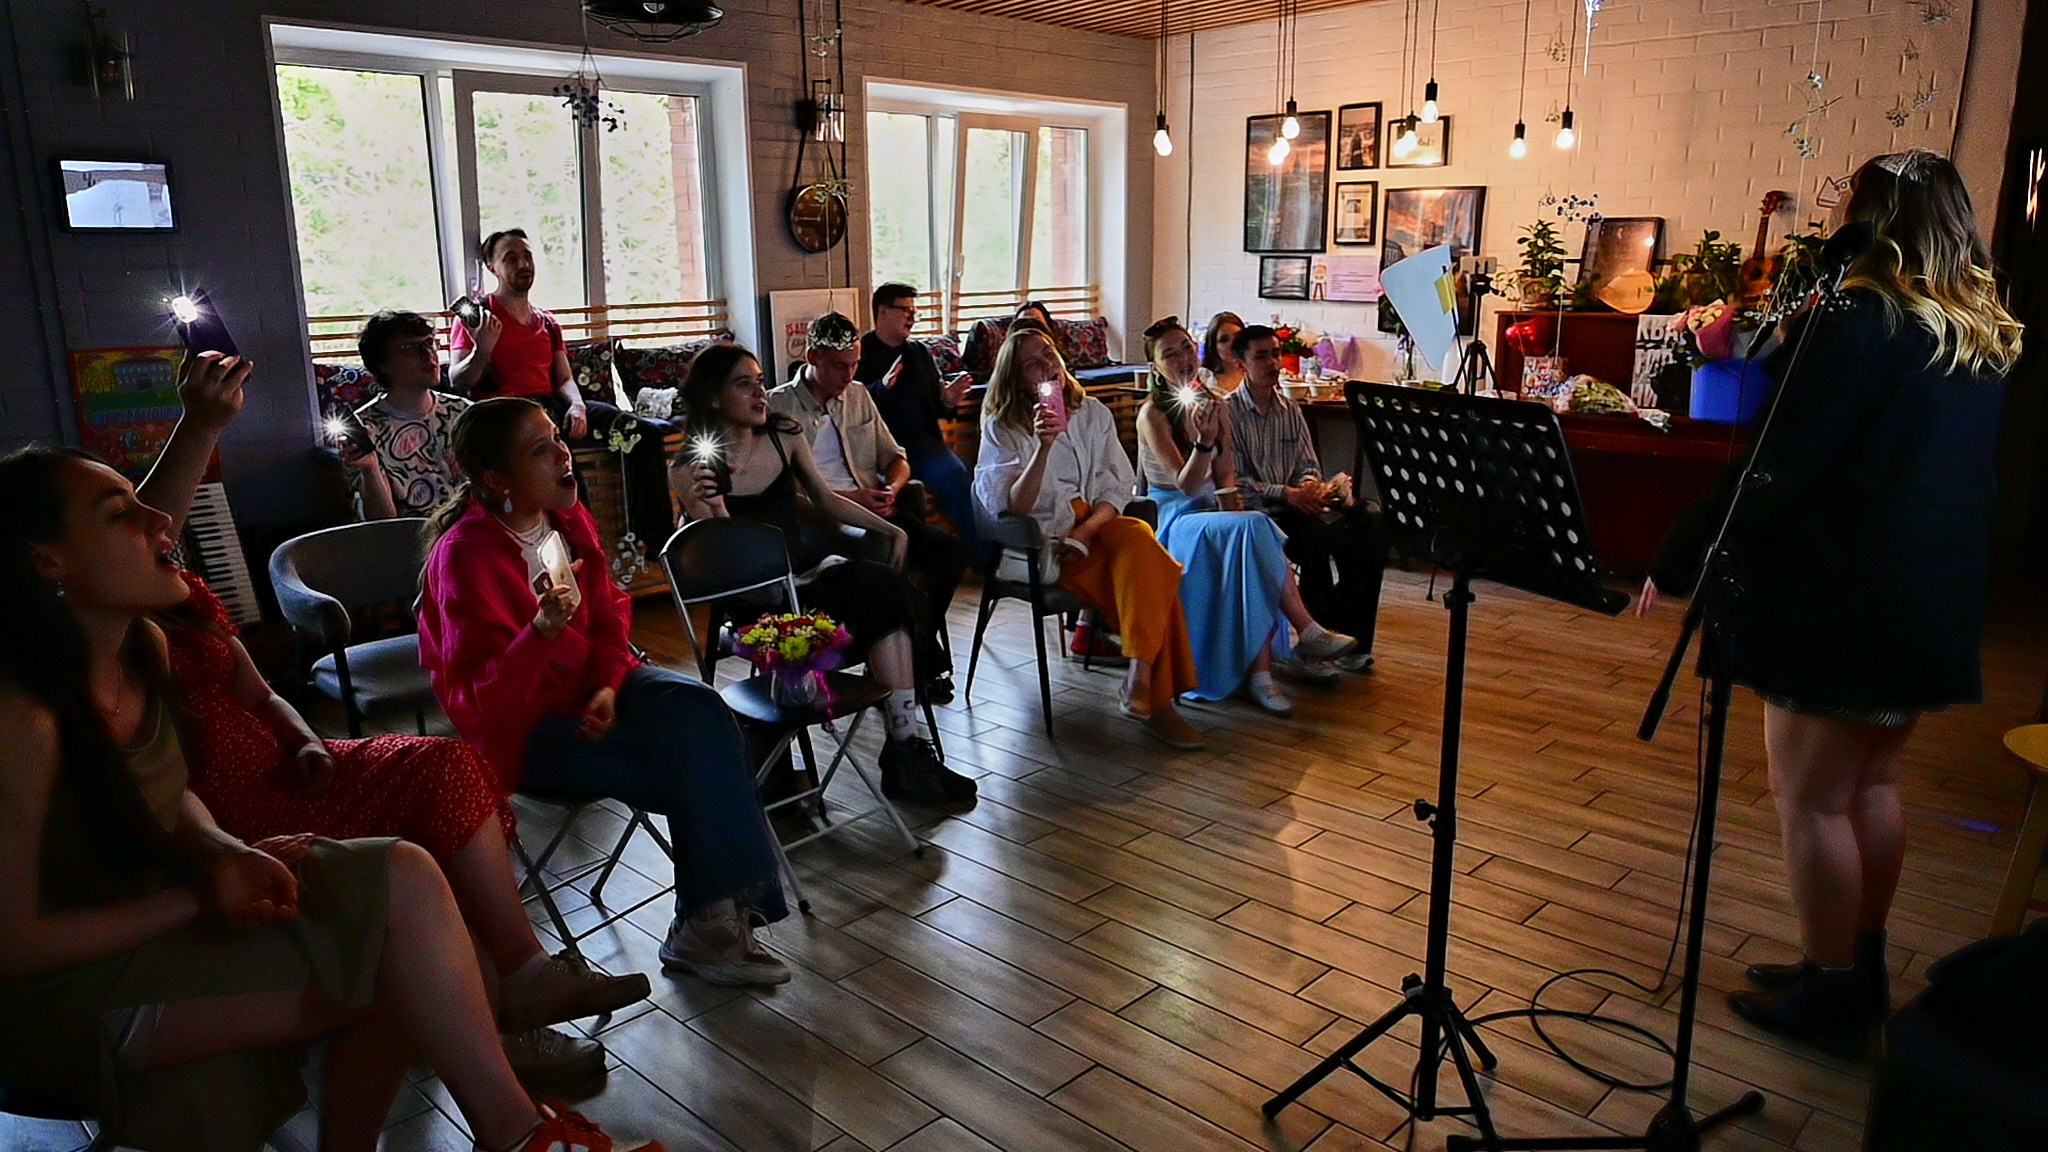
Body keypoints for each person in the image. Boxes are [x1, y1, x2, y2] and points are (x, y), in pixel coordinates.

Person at [0, 432, 660, 1150]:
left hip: (171, 902)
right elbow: (15, 947)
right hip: (67, 988)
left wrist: (221, 850)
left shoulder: (144, 649)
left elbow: (170, 792)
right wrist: (198, 894)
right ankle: (510, 1131)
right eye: (119, 512)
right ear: (46, 560)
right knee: (392, 954)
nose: (161, 521)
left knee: (404, 878)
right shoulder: (23, 720)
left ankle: (514, 1124)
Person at [148, 355, 646, 1090]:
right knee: (438, 806)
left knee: (449, 772)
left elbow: (259, 694)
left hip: (289, 759)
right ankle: (508, 1010)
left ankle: (516, 991)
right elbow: (482, 693)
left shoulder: (183, 602)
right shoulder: (99, 653)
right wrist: (199, 426)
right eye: (120, 517)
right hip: (229, 804)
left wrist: (303, 735)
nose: (154, 534)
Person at [1645, 150, 2023, 1058]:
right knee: (1873, 784)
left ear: (1870, 221)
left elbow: (1784, 455)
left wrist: (1696, 542)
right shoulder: (1975, 328)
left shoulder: (1860, 316)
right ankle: (1852, 965)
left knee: (1812, 798)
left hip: (1845, 591)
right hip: (1926, 591)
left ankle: (1834, 993)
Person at [418, 397, 793, 989]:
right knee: (695, 765)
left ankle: (709, 922)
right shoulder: (465, 558)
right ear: (497, 480)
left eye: (556, 440)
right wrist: (539, 634)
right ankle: (710, 924)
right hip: (526, 732)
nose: (562, 453)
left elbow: (608, 619)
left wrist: (608, 686)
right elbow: (480, 704)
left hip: (593, 694)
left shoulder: (564, 520)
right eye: (538, 449)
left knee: (703, 709)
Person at [674, 345, 978, 808]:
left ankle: (905, 748)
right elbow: (724, 567)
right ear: (713, 398)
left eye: (760, 381)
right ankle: (905, 752)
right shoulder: (692, 468)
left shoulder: (784, 435)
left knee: (885, 595)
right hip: (761, 605)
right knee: (886, 595)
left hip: (807, 582)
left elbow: (825, 500)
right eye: (744, 384)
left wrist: (890, 529)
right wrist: (713, 509)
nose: (760, 393)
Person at [973, 327, 1205, 750]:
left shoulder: (1092, 412)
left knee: (1137, 537)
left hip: (1095, 524)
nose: (1047, 366)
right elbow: (1011, 507)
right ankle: (1156, 700)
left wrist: (1087, 531)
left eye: (1049, 354)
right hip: (1046, 540)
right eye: (1033, 363)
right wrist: (1043, 447)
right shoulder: (1003, 425)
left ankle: (1141, 681)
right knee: (1154, 575)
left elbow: (1116, 487)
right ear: (1016, 378)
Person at [1137, 318, 1357, 714]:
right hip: (1176, 518)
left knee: (1253, 532)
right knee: (1257, 527)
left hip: (1212, 514)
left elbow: (1226, 479)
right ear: (1156, 367)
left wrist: (1233, 511)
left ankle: (1263, 674)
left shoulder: (1215, 404)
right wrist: (1203, 444)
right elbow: (1185, 485)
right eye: (1170, 354)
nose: (1183, 358)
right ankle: (1305, 631)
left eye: (1186, 348)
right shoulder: (1153, 415)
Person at [773, 312, 971, 703]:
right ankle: (907, 664)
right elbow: (790, 492)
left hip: (874, 508)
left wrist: (893, 487)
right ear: (812, 358)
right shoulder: (780, 406)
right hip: (823, 521)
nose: (848, 375)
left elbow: (896, 457)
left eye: (855, 365)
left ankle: (909, 651)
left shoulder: (858, 395)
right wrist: (855, 500)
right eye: (839, 366)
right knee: (877, 547)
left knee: (951, 552)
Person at [449, 228, 675, 554]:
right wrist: (482, 350)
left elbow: (565, 379)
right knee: (561, 466)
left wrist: (578, 406)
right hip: (510, 414)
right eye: (510, 258)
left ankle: (655, 543)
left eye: (527, 256)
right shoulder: (477, 316)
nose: (523, 264)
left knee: (642, 435)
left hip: (554, 406)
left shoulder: (548, 321)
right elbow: (458, 380)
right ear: (492, 267)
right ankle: (580, 555)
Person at [1229, 324, 1387, 673]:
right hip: (1261, 514)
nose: (1273, 363)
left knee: (1370, 525)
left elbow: (1307, 463)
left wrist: (1311, 486)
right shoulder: (1229, 414)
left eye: (1274, 353)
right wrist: (1287, 493)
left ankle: (1352, 639)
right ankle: (1317, 641)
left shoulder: (1289, 409)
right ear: (1241, 365)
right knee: (1314, 541)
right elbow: (1237, 482)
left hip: (1298, 504)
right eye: (1261, 356)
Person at [858, 283, 982, 564]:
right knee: (895, 495)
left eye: (914, 311)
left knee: (956, 476)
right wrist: (881, 387)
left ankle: (985, 562)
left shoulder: (919, 353)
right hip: (877, 451)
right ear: (882, 312)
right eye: (904, 310)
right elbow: (850, 405)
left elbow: (936, 404)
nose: (911, 317)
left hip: (922, 444)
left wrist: (948, 400)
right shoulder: (861, 353)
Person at [342, 310, 470, 520]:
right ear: (383, 363)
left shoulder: (463, 411)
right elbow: (383, 525)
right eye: (411, 349)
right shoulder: (366, 428)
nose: (428, 355)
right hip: (410, 539)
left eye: (430, 343)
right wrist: (370, 468)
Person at [1200, 310, 1248, 396]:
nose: (1232, 344)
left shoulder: (1256, 375)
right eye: (1224, 340)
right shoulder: (1203, 378)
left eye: (1237, 337)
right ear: (1213, 346)